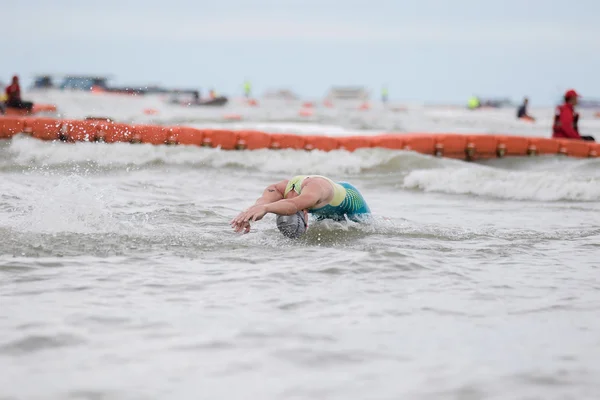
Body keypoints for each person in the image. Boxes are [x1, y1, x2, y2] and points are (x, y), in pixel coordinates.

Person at [230, 175, 371, 234]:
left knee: (366, 229)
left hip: (351, 200)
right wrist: (248, 213)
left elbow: (292, 205)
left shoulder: (314, 190)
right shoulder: (279, 189)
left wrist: (266, 208)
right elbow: (262, 202)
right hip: (322, 206)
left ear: (305, 215)